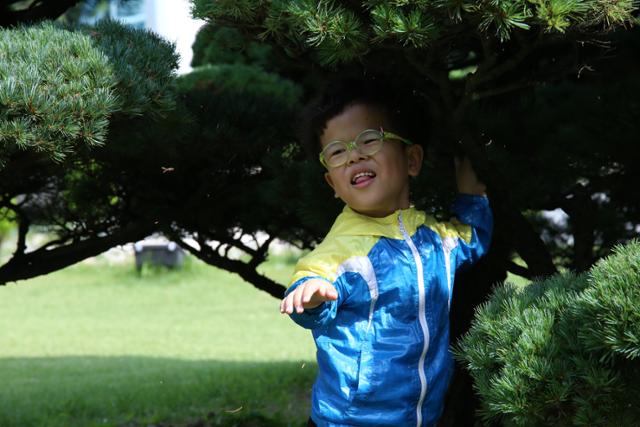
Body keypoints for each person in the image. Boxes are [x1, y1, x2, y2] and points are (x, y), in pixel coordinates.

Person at [280, 76, 493, 427]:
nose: (354, 155)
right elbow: (314, 280)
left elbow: (471, 240)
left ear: (412, 160)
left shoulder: (434, 239)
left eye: (369, 139)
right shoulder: (343, 251)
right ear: (333, 184)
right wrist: (312, 297)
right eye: (337, 152)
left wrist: (473, 196)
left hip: (423, 417)